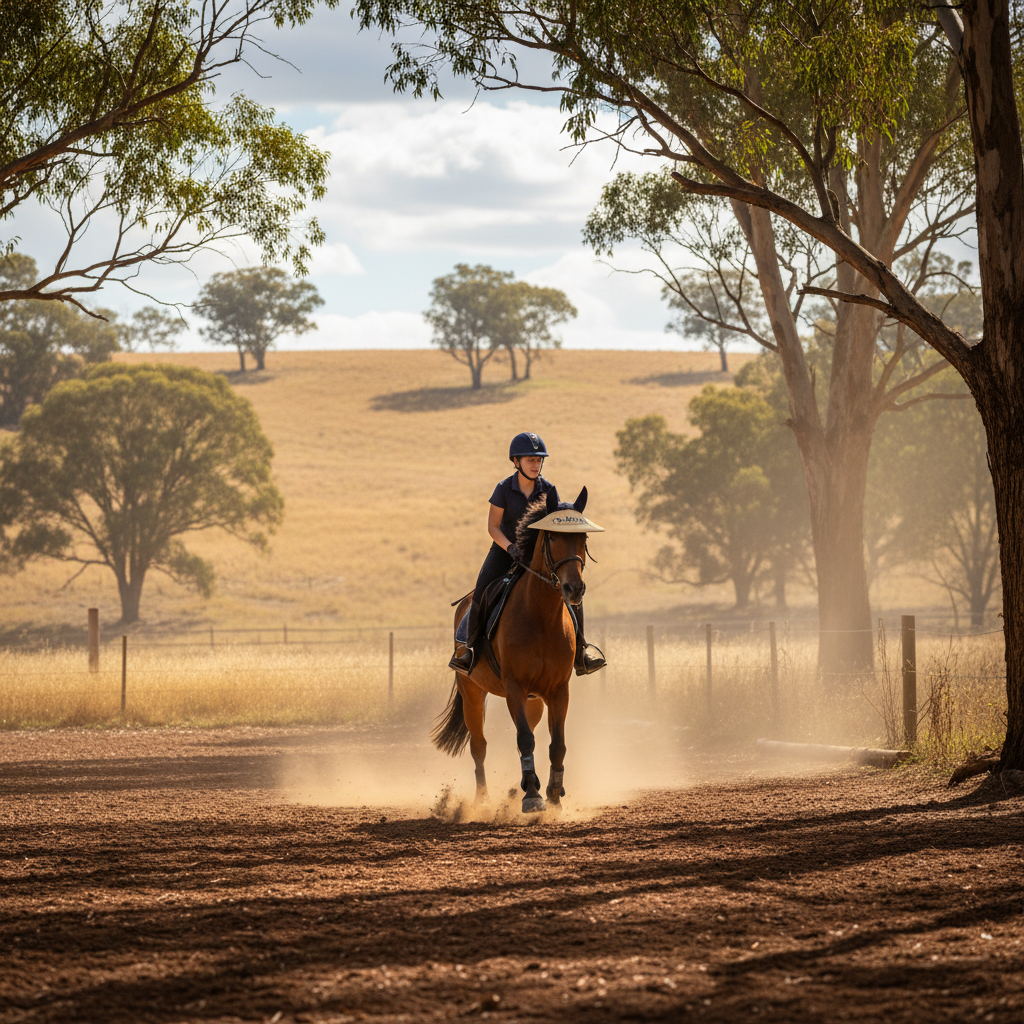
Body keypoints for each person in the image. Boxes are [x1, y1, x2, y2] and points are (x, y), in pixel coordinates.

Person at [448, 431, 606, 676]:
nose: (536, 464)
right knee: (481, 589)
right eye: (530, 459)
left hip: (538, 555)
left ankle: (581, 652)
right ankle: (467, 649)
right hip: (504, 550)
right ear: (516, 461)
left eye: (539, 460)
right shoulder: (503, 489)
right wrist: (510, 547)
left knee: (572, 589)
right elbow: (492, 527)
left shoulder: (548, 489)